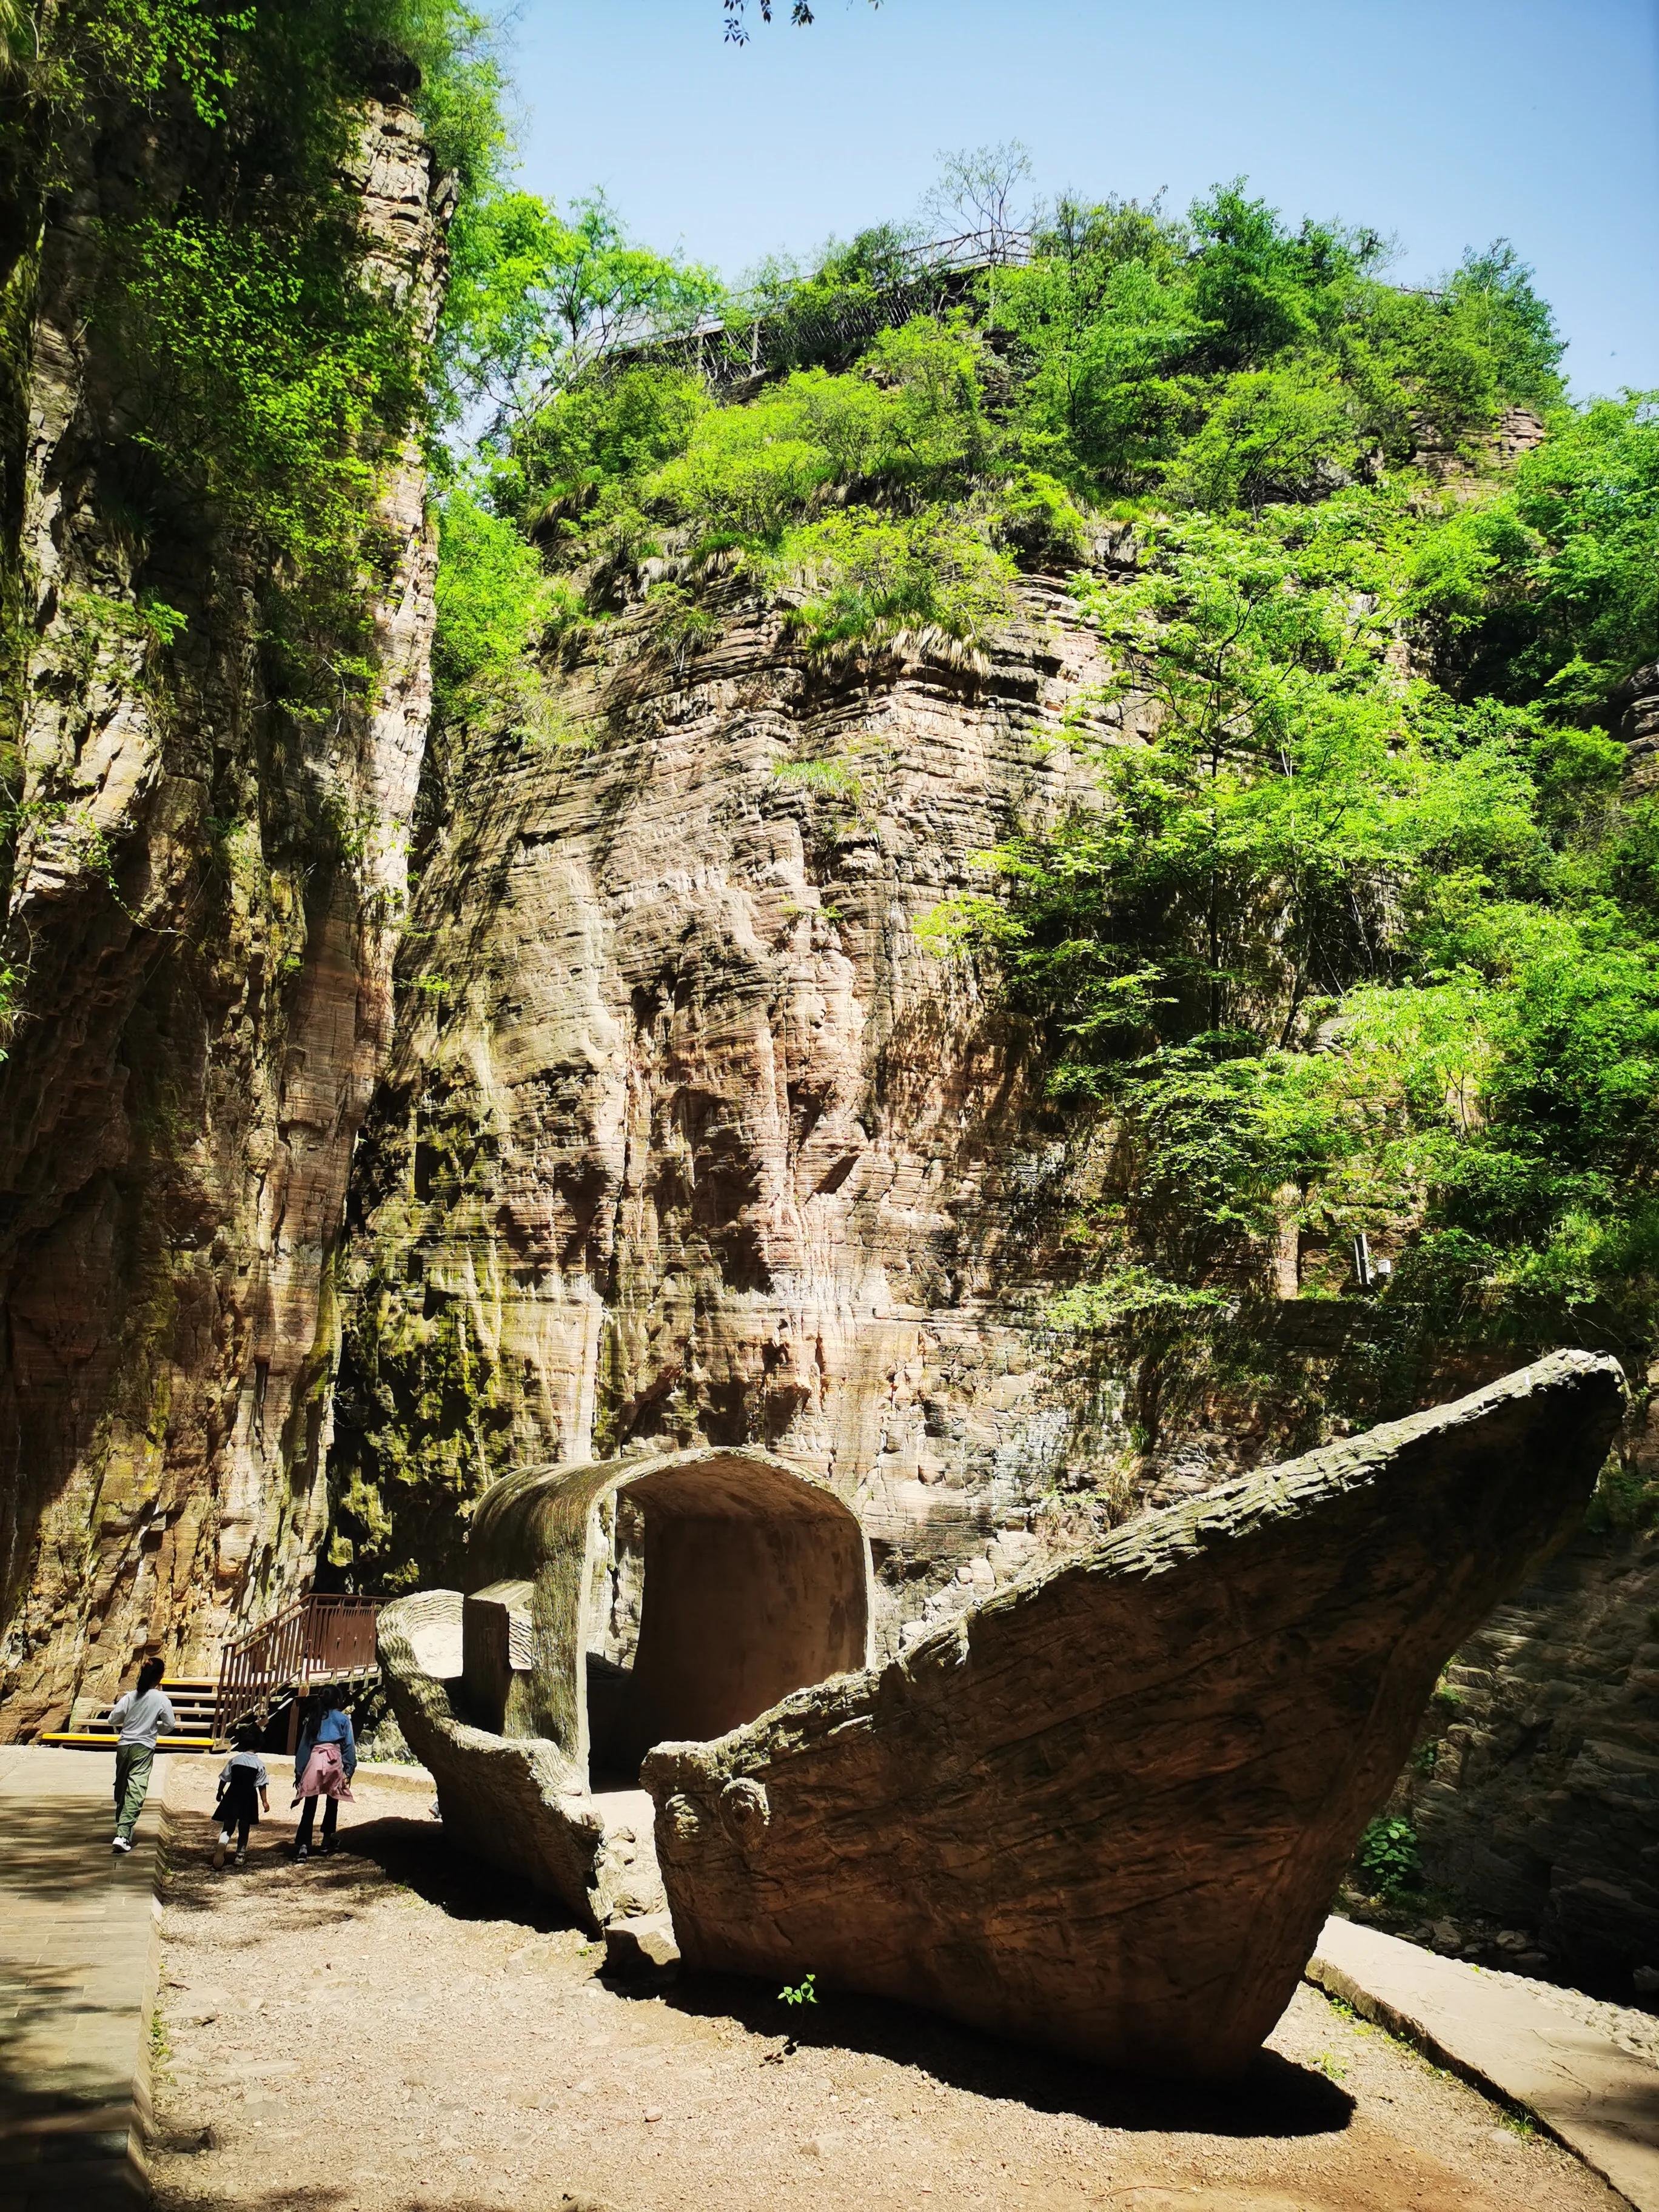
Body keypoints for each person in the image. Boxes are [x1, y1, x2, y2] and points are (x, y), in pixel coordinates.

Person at [109, 1655, 175, 1853]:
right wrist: (155, 1728)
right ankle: (122, 1834)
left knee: (121, 1786)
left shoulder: (130, 1696)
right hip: (144, 1747)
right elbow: (170, 1724)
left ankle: (123, 1828)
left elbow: (113, 1719)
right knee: (136, 1788)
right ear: (160, 1677)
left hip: (124, 1746)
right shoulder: (161, 1699)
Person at [290, 1689, 355, 1860]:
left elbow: (304, 1746)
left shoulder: (313, 1718)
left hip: (315, 1759)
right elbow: (349, 1745)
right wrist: (349, 1769)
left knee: (310, 1804)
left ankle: (303, 1846)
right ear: (338, 1701)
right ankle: (327, 1841)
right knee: (332, 1802)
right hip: (334, 1761)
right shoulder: (343, 1719)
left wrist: (299, 1772)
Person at [212, 1722, 270, 1868]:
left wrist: (220, 1792)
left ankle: (222, 1845)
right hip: (248, 1797)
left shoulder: (235, 1760)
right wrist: (265, 1801)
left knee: (228, 1825)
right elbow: (261, 1784)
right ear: (259, 1745)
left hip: (232, 1794)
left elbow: (224, 1778)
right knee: (244, 1827)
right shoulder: (259, 1764)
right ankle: (240, 1855)